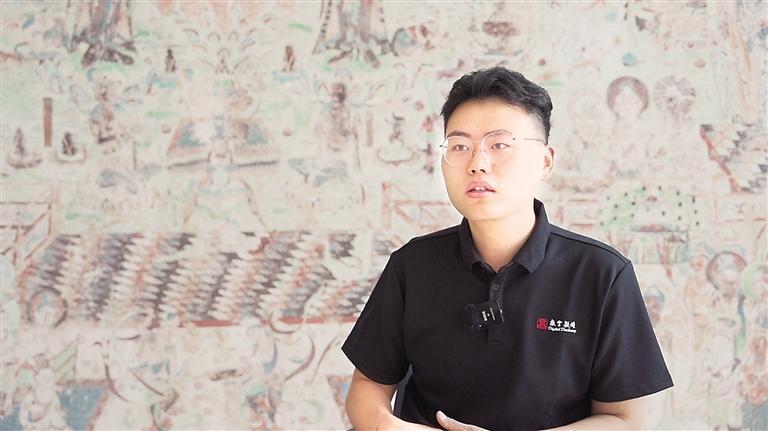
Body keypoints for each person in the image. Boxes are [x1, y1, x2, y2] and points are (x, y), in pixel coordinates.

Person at [342, 67, 673, 430]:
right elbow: (367, 387)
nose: (477, 164)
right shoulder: (412, 266)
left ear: (545, 161)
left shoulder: (602, 273)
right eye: (460, 147)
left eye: (499, 145)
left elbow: (625, 419)